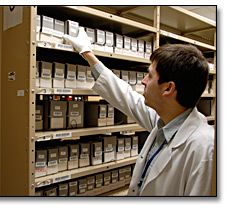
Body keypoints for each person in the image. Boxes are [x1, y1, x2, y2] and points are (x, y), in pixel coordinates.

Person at [63, 27, 215, 196]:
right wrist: (87, 53)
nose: (143, 81)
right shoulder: (165, 121)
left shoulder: (205, 149)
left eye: (149, 76)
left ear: (168, 88)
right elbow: (125, 96)